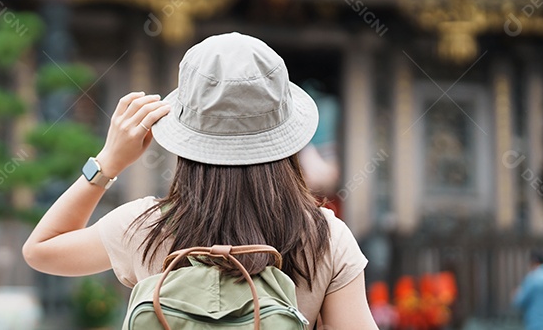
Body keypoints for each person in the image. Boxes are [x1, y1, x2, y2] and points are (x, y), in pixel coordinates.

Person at [22, 32, 377, 328]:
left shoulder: (145, 227)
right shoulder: (324, 238)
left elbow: (41, 250)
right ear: (285, 138)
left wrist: (107, 163)